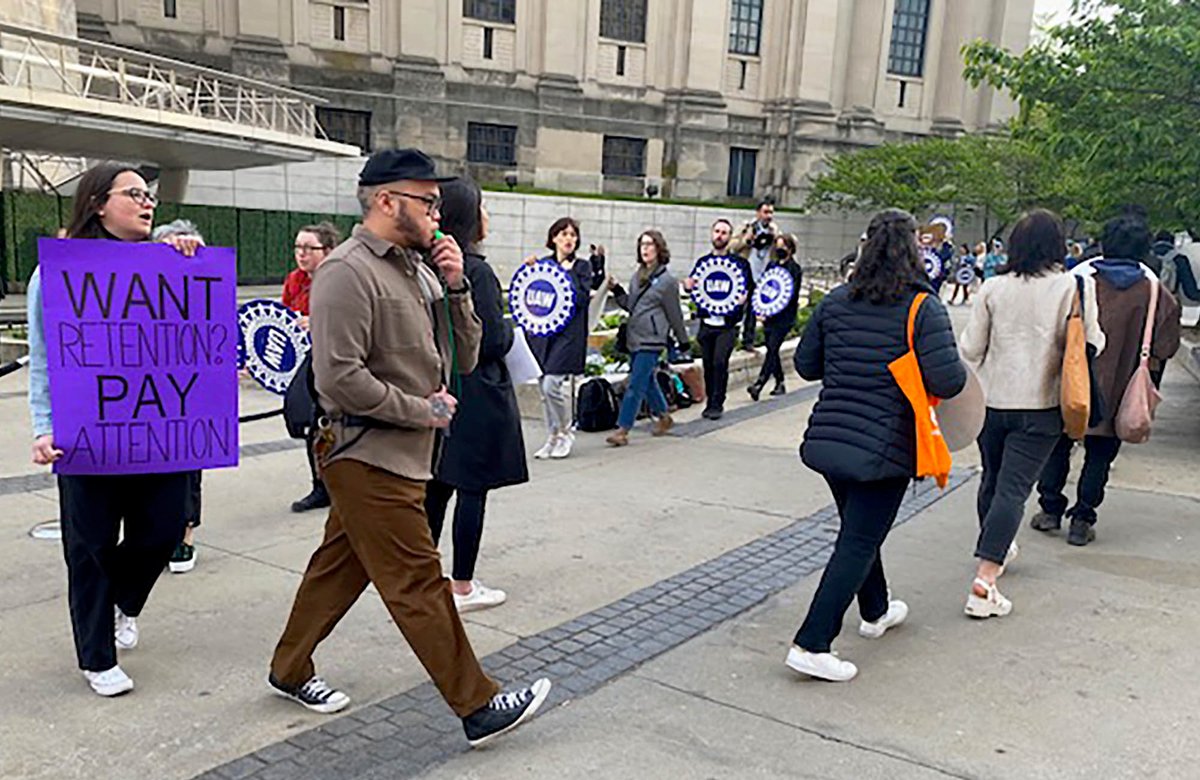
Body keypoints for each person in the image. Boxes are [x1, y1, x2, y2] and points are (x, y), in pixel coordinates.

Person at [267, 149, 550, 747]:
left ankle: (288, 668)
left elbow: (465, 357)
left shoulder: (419, 269)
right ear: (386, 200)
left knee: (338, 568)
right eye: (426, 201)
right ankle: (477, 704)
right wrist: (419, 411)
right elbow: (337, 378)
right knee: (418, 579)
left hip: (406, 451)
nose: (436, 213)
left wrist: (456, 286)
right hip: (366, 449)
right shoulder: (347, 271)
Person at [27, 163, 204, 697]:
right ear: (98, 203)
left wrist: (188, 260)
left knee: (165, 528)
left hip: (159, 433)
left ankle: (123, 600)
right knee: (90, 545)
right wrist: (44, 426)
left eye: (149, 195)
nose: (147, 202)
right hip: (87, 433)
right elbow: (42, 357)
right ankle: (97, 655)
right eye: (133, 194)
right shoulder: (58, 273)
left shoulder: (170, 264)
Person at [785, 209, 966, 682]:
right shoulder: (922, 308)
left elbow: (806, 365)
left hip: (831, 437)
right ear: (914, 252)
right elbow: (949, 380)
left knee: (860, 529)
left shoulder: (838, 300)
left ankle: (876, 610)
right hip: (886, 447)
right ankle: (812, 642)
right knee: (860, 537)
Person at [959, 210, 1105, 617]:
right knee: (1014, 490)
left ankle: (997, 546)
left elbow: (970, 348)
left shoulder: (992, 287)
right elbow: (1093, 341)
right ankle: (985, 580)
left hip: (991, 402)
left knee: (991, 479)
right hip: (1041, 406)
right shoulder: (1074, 286)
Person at [1033, 211, 1181, 546]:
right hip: (1121, 388)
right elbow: (1166, 345)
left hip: (1073, 379)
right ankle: (1083, 518)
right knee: (1101, 453)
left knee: (1059, 444)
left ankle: (1050, 508)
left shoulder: (1077, 278)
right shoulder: (1154, 291)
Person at [424, 178, 528, 613]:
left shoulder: (422, 265)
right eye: (483, 207)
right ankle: (462, 585)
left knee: (437, 487)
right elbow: (487, 338)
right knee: (471, 489)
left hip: (442, 390)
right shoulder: (475, 270)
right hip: (477, 393)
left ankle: (423, 579)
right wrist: (506, 329)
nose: (488, 217)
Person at [150, 219, 209, 575]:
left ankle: (184, 536)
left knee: (187, 469)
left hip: (189, 391)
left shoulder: (200, 289)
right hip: (144, 391)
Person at [605, 230, 690, 447]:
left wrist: (683, 340)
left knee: (635, 383)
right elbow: (631, 305)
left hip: (652, 339)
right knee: (647, 380)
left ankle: (622, 429)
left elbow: (674, 313)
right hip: (635, 337)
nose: (645, 249)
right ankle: (664, 416)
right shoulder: (638, 277)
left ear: (659, 249)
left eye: (650, 244)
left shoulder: (667, 281)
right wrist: (616, 290)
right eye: (642, 244)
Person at [284, 222, 342, 513]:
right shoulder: (294, 280)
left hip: (332, 362)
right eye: (298, 247)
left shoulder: (338, 280)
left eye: (309, 248)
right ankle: (320, 486)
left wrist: (317, 322)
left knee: (329, 422)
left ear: (328, 251)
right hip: (305, 361)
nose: (301, 253)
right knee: (307, 420)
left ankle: (334, 484)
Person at [525, 218, 593, 460]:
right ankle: (552, 436)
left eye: (573, 235)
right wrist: (529, 270)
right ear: (553, 238)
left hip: (569, 337)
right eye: (563, 234)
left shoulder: (582, 267)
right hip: (545, 336)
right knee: (543, 389)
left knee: (552, 385)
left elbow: (583, 299)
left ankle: (566, 431)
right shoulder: (544, 264)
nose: (569, 239)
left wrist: (568, 274)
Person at [683, 219, 751, 420]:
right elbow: (693, 286)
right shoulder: (703, 263)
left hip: (728, 325)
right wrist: (687, 286)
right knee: (709, 364)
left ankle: (717, 403)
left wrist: (743, 300)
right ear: (712, 234)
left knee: (720, 362)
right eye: (717, 231)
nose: (720, 235)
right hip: (707, 323)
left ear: (730, 237)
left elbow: (749, 289)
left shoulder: (740, 265)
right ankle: (710, 400)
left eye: (724, 232)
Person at [747, 233, 802, 401]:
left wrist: (773, 310)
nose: (779, 250)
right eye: (777, 246)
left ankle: (760, 383)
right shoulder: (772, 266)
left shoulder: (795, 269)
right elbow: (764, 288)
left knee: (772, 347)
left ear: (790, 249)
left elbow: (790, 295)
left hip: (784, 317)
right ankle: (780, 381)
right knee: (773, 349)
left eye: (783, 247)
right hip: (770, 317)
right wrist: (761, 310)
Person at [730, 198, 781, 351]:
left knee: (753, 309)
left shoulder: (774, 230)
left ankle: (748, 341)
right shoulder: (747, 227)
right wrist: (747, 240)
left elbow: (778, 251)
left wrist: (776, 238)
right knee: (738, 307)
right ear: (758, 213)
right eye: (765, 212)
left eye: (771, 212)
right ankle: (731, 339)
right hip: (745, 272)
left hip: (762, 273)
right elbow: (732, 246)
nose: (768, 216)